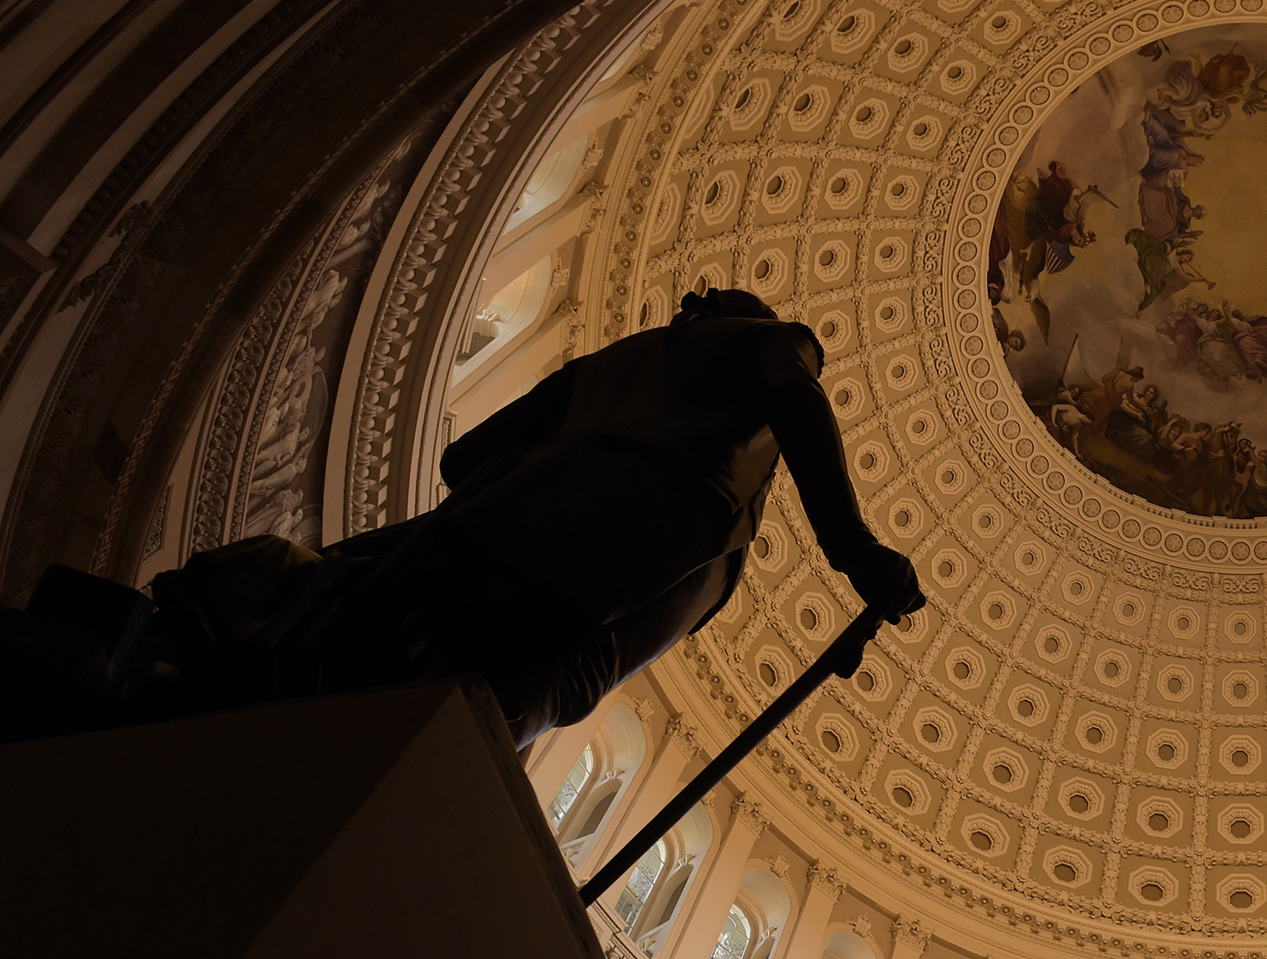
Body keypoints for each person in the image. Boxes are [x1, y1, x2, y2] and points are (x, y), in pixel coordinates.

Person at [133, 288, 922, 746]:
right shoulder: (772, 343)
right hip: (582, 591)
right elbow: (797, 401)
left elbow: (464, 456)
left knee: (347, 664)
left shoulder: (627, 358)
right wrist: (853, 549)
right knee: (443, 728)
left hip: (480, 536)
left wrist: (517, 492)